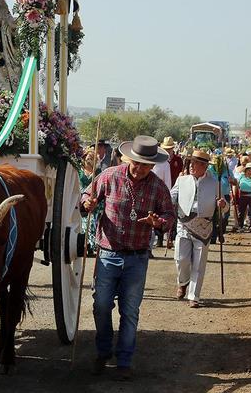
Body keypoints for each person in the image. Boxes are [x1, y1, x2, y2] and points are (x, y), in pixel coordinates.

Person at [81, 136, 174, 380]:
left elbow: (168, 215)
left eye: (146, 165)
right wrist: (87, 203)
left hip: (137, 257)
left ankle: (124, 360)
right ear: (128, 159)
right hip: (108, 254)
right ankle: (103, 352)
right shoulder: (110, 176)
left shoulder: (157, 187)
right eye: (137, 163)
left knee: (129, 311)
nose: (140, 168)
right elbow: (86, 195)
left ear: (153, 165)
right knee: (101, 306)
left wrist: (159, 223)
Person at [170, 150, 227, 308]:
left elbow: (225, 206)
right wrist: (167, 202)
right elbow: (170, 196)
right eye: (191, 163)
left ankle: (194, 296)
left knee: (199, 264)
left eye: (195, 163)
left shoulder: (215, 183)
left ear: (204, 166)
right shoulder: (181, 180)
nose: (192, 166)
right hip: (183, 225)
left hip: (204, 227)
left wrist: (222, 205)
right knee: (181, 259)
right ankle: (183, 282)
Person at [234, 163, 251, 232]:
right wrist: (235, 194)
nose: (250, 172)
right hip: (242, 196)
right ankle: (240, 226)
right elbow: (237, 185)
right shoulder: (241, 176)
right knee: (241, 212)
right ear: (246, 170)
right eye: (249, 170)